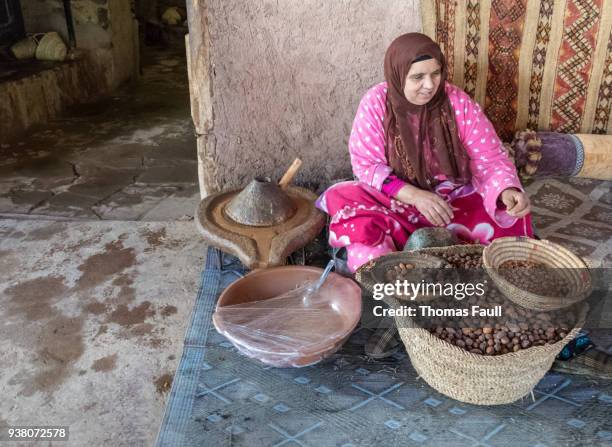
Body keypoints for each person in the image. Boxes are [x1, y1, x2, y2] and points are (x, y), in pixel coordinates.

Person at [316, 33, 533, 274]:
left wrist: (506, 190)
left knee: (510, 217)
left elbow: (490, 159)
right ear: (398, 76)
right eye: (418, 77)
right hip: (394, 200)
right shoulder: (376, 103)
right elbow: (367, 166)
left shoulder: (458, 103)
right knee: (352, 209)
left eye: (436, 73)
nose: (430, 85)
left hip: (450, 201)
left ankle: (429, 250)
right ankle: (393, 267)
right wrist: (416, 196)